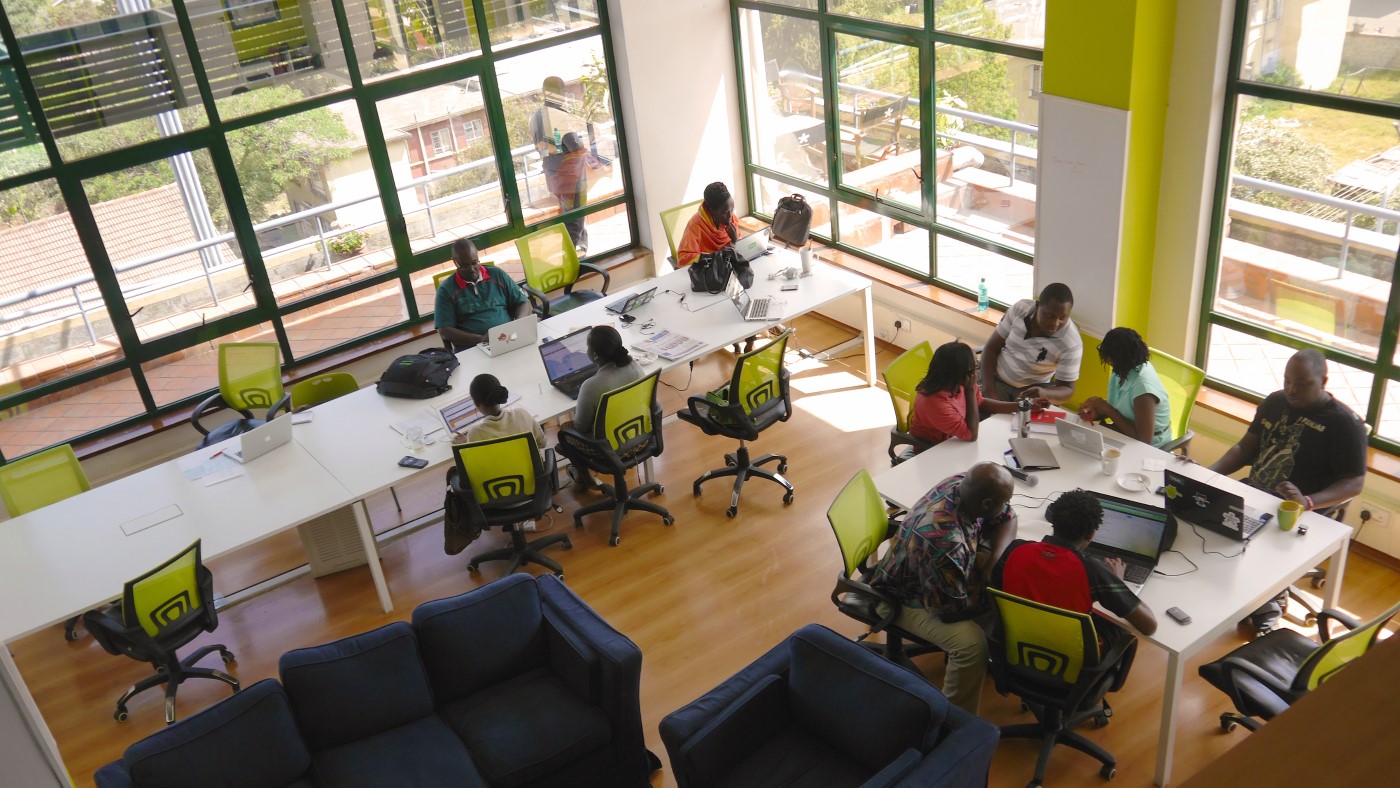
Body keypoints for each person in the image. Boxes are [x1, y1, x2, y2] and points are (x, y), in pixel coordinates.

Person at [1205, 348, 1367, 634]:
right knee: (1206, 521)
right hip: (1256, 492)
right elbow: (1244, 448)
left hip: (1299, 510)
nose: (1292, 390)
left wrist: (1308, 501)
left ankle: (1270, 599)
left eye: (1302, 384)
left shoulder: (1343, 423)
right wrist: (1209, 473)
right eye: (1287, 381)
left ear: (1323, 382)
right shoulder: (1275, 402)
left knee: (1252, 544)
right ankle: (1248, 593)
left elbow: (1354, 481)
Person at [870, 462, 1018, 714]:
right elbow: (948, 613)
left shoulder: (961, 482)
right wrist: (991, 600)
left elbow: (1009, 517)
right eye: (1004, 501)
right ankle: (952, 719)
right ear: (986, 504)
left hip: (931, 575)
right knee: (971, 646)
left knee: (1003, 571)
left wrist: (992, 566)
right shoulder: (947, 543)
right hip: (899, 598)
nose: (1007, 506)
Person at [993, 489, 1158, 648]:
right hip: (1071, 656)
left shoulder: (1016, 549)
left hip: (1016, 642)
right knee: (1117, 628)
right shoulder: (1093, 571)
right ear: (1091, 534)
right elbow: (1150, 626)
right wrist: (1118, 581)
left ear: (1053, 523)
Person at [908, 340, 1045, 450]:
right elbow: (971, 435)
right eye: (975, 367)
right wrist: (969, 391)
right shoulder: (935, 402)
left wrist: (1022, 406)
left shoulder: (958, 383)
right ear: (959, 374)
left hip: (955, 441)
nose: (978, 367)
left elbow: (981, 402)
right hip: (932, 449)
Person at [567, 325, 644, 490]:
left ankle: (584, 477)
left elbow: (580, 427)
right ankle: (582, 476)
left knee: (565, 431)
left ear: (594, 355)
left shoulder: (591, 386)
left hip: (609, 449)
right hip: (640, 437)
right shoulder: (635, 367)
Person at [981, 282, 1082, 404]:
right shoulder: (1020, 309)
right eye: (1050, 316)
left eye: (1062, 318)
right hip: (995, 381)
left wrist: (1045, 393)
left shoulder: (1071, 343)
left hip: (1029, 393)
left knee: (1013, 416)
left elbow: (1067, 390)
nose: (1055, 324)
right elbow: (991, 348)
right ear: (1037, 305)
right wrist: (989, 390)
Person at [1076, 327, 1173, 447]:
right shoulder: (1122, 370)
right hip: (1126, 432)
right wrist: (1096, 411)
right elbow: (1122, 405)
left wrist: (1107, 409)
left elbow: (1143, 441)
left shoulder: (1143, 389)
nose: (1108, 361)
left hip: (1151, 446)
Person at [433, 238, 531, 352]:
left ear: (477, 255)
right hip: (472, 347)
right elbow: (444, 330)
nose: (472, 269)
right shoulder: (446, 290)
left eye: (475, 263)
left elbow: (523, 302)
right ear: (455, 262)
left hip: (508, 338)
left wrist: (518, 324)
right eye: (465, 266)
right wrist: (481, 339)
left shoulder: (497, 274)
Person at [462, 374, 546, 458]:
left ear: (476, 404)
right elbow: (542, 443)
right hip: (534, 466)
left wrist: (465, 444)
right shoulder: (521, 414)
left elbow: (473, 463)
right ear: (499, 394)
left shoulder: (475, 434)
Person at [676, 182, 739, 268]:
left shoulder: (731, 219)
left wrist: (735, 241)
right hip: (706, 270)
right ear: (712, 210)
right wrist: (716, 257)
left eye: (732, 210)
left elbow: (738, 250)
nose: (730, 215)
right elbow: (683, 258)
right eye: (725, 212)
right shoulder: (696, 225)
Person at [553, 132, 589, 252]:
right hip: (577, 193)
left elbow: (561, 182)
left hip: (573, 195)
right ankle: (577, 249)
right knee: (577, 222)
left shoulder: (570, 160)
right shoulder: (578, 156)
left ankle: (575, 249)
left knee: (574, 223)